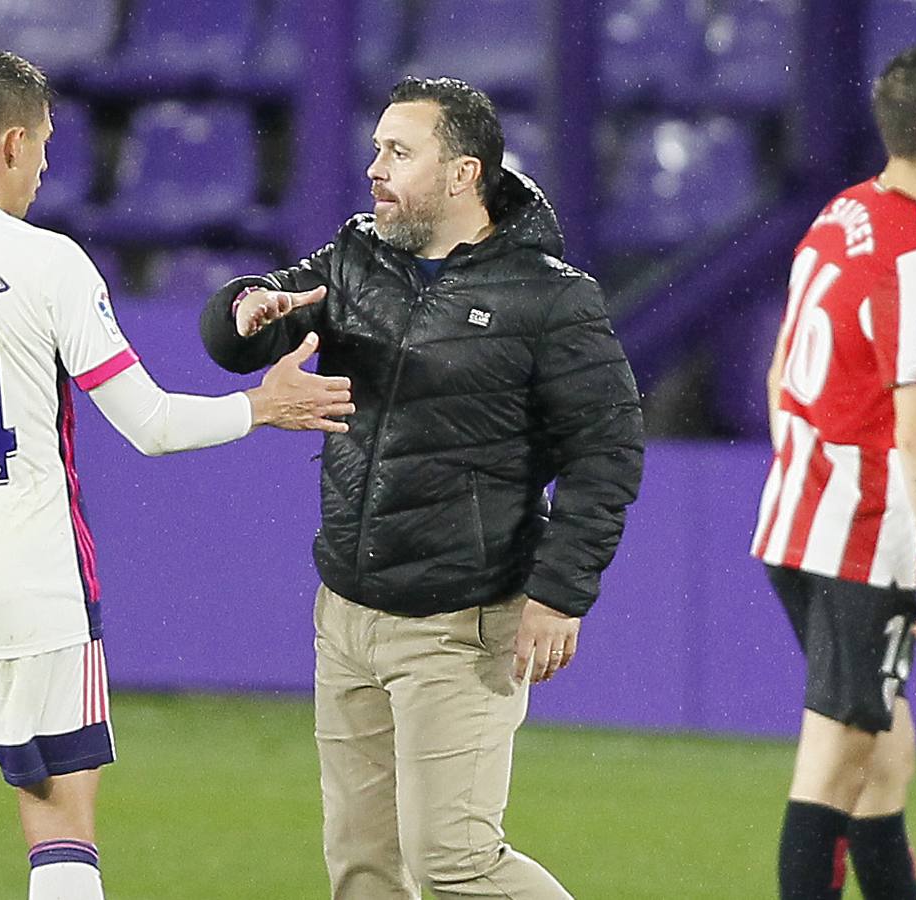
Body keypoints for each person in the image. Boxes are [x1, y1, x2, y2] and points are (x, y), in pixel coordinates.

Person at [0, 50, 352, 900]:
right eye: (47, 146)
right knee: (59, 831)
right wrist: (259, 404)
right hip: (33, 596)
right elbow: (153, 425)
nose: (49, 166)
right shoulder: (48, 262)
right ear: (13, 142)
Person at [200, 77, 644, 898]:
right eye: (376, 148)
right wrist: (243, 310)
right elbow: (247, 325)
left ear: (462, 173)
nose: (374, 168)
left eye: (398, 152)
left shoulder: (551, 297)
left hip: (458, 626)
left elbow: (607, 452)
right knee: (363, 870)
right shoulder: (356, 254)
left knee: (455, 864)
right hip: (346, 615)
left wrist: (558, 593)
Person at [752, 39, 916, 900]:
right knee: (834, 761)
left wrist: (811, 463)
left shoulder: (838, 214)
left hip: (792, 517)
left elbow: (782, 373)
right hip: (857, 536)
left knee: (886, 760)